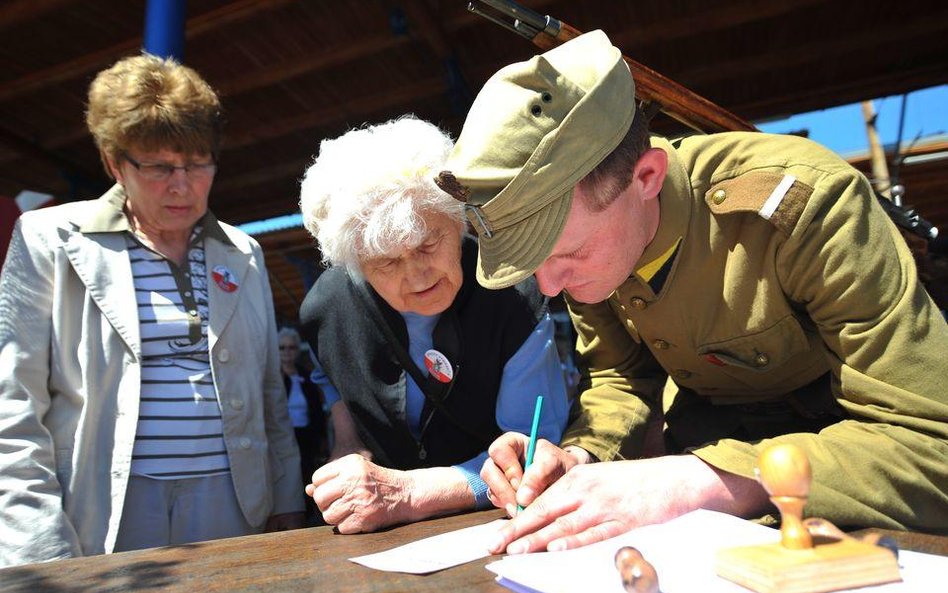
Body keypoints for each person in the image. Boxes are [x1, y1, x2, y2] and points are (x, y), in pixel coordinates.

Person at [433, 30, 948, 554]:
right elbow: (620, 378)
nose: (549, 285)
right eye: (535, 264)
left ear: (647, 176)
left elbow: (934, 445)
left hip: (845, 502)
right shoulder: (582, 242)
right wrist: (579, 458)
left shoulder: (807, 209)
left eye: (569, 255)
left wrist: (703, 481)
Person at [0, 54, 304, 567]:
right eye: (159, 166)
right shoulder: (49, 238)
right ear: (115, 163)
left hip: (231, 499)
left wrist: (286, 499)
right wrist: (36, 542)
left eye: (197, 163)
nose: (181, 186)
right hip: (107, 504)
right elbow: (13, 402)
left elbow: (268, 394)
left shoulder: (241, 253)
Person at [297, 116, 569, 533]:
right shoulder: (326, 308)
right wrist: (347, 439)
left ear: (459, 221)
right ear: (354, 266)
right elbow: (328, 374)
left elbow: (533, 449)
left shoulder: (514, 297)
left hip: (498, 519)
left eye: (429, 244)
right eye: (386, 262)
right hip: (374, 530)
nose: (419, 276)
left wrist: (408, 493)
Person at [278, 327, 329, 524]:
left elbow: (316, 408)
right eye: (282, 348)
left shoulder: (305, 374)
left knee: (307, 474)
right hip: (283, 436)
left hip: (307, 436)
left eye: (291, 347)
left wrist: (321, 437)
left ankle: (307, 515)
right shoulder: (272, 375)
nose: (287, 352)